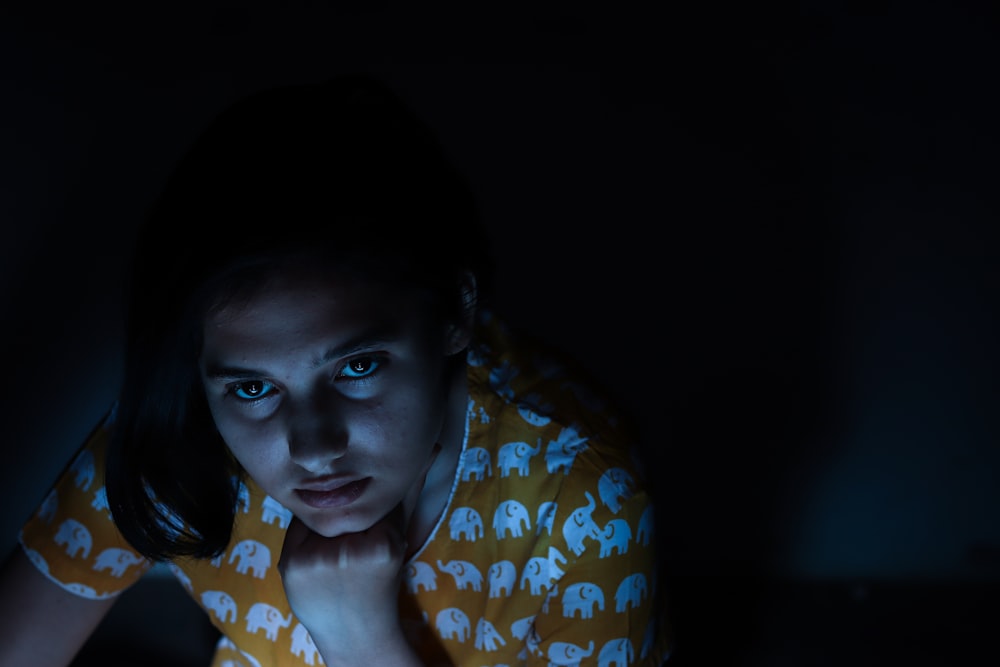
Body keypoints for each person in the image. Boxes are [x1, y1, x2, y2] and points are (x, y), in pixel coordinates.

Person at [0, 73, 671, 667]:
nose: (314, 446)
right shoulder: (175, 438)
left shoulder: (579, 508)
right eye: (254, 387)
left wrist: (356, 638)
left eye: (358, 366)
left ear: (455, 315)